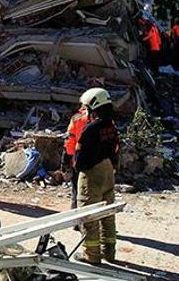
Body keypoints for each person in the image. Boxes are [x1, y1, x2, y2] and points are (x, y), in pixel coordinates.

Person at [74, 88, 120, 265]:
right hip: (108, 171)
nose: (86, 111)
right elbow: (115, 149)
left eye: (87, 108)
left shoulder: (91, 128)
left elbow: (81, 157)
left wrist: (78, 169)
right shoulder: (111, 125)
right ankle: (109, 252)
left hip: (92, 174)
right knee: (108, 213)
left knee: (89, 215)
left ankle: (92, 255)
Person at [63, 105, 88, 209]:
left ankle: (76, 222)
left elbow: (70, 142)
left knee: (77, 192)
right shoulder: (106, 120)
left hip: (79, 161)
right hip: (99, 163)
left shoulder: (77, 119)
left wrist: (65, 162)